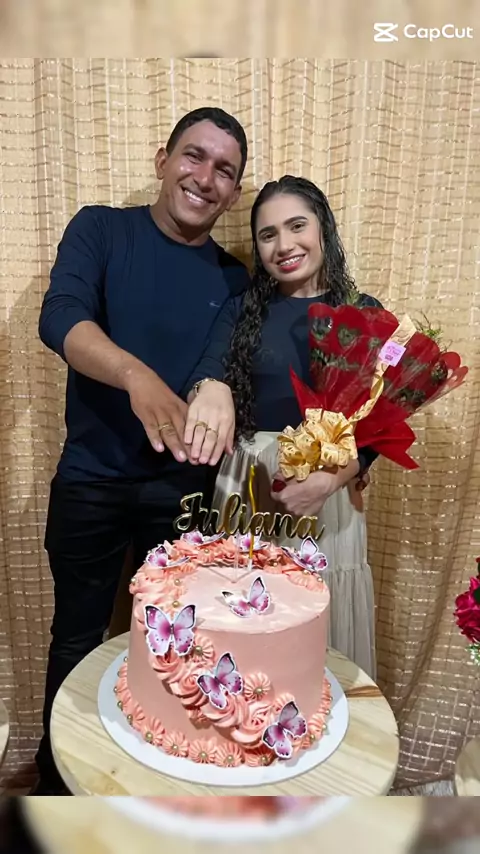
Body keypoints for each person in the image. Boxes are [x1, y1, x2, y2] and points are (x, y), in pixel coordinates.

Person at [35, 107, 250, 794]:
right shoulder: (101, 228)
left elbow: (221, 361)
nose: (205, 177)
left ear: (233, 193)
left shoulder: (235, 279)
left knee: (172, 650)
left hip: (181, 493)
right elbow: (60, 316)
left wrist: (216, 384)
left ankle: (152, 790)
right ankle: (56, 788)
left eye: (225, 170)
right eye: (194, 155)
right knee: (77, 638)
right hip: (90, 479)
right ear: (163, 160)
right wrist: (136, 376)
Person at [184, 175, 382, 678]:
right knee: (246, 638)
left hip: (327, 489)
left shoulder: (363, 313)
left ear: (323, 228)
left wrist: (334, 478)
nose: (284, 245)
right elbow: (208, 370)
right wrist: (209, 385)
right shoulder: (242, 308)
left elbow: (380, 418)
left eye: (297, 226)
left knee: (318, 635)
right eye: (268, 235)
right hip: (248, 487)